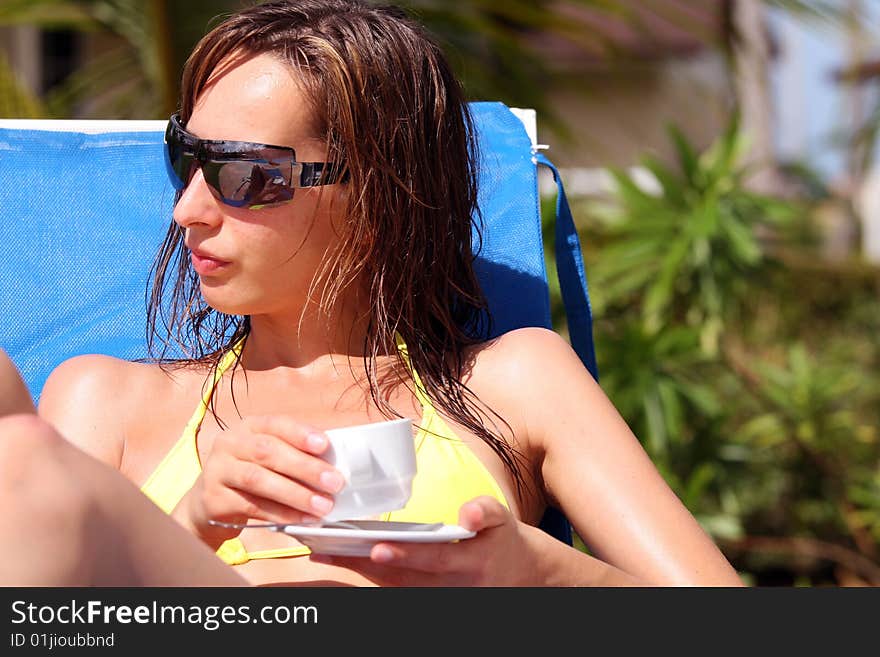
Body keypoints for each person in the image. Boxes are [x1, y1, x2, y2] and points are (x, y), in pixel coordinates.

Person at [5, 0, 743, 586]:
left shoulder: (515, 382)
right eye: (187, 157)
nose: (187, 208)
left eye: (243, 173)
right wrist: (190, 532)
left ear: (378, 198)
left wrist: (543, 573)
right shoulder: (108, 404)